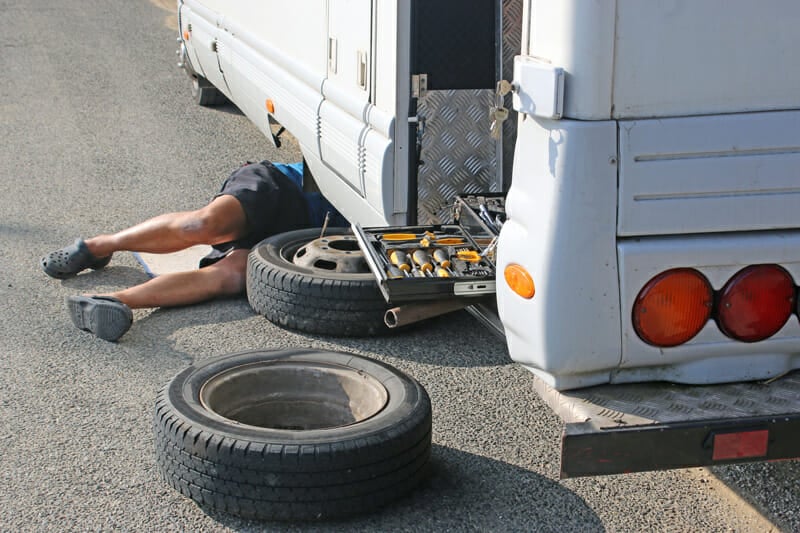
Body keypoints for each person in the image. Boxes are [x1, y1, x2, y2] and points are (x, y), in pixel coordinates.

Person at [41, 160, 346, 342]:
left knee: (234, 276)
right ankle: (99, 246)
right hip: (286, 186)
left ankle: (111, 302)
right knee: (203, 225)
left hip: (303, 235)